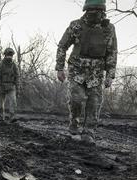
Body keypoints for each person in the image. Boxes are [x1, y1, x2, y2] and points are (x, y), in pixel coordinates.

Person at [55, 0, 117, 143]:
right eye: (91, 11)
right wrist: (59, 68)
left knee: (94, 103)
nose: (94, 14)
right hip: (77, 69)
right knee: (76, 99)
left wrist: (110, 75)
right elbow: (62, 46)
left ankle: (89, 132)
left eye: (98, 11)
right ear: (86, 10)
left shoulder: (109, 29)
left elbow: (112, 52)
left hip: (96, 71)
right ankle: (74, 126)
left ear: (103, 11)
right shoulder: (76, 25)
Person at [0, 48, 19, 121]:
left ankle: (12, 117)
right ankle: (0, 116)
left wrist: (18, 88)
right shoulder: (0, 65)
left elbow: (17, 77)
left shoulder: (14, 65)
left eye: (11, 55)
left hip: (11, 86)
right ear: (5, 55)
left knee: (13, 102)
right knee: (1, 104)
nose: (9, 57)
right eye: (8, 55)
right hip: (2, 85)